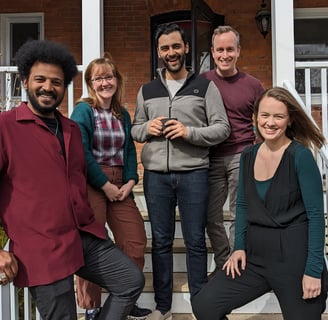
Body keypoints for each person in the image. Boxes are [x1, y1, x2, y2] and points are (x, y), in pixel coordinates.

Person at [0, 39, 145, 320]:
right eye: (40, 79)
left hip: (81, 235)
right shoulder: (5, 127)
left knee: (130, 281)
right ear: (25, 80)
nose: (48, 87)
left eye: (56, 81)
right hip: (40, 247)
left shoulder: (70, 129)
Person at [192, 87, 328, 320]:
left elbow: (316, 217)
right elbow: (243, 205)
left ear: (289, 120)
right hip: (255, 257)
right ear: (255, 118)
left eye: (278, 116)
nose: (270, 122)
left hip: (294, 259)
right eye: (265, 115)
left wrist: (313, 270)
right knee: (205, 305)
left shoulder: (301, 156)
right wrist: (239, 247)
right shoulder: (248, 155)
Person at [131, 23, 230, 320]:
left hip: (194, 174)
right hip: (156, 177)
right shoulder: (147, 90)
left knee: (195, 241)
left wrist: (189, 132)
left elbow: (222, 128)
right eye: (164, 48)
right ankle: (163, 308)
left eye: (176, 46)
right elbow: (135, 129)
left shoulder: (204, 86)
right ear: (158, 52)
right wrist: (146, 129)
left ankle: (201, 306)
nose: (170, 53)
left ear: (186, 48)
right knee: (160, 242)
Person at [71, 53, 151, 320]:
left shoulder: (122, 113)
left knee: (135, 238)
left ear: (117, 79)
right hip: (93, 182)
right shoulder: (84, 110)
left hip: (120, 183)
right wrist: (104, 185)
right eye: (99, 78)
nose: (105, 82)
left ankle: (126, 297)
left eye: (109, 76)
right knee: (93, 243)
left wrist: (130, 181)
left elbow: (129, 151)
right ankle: (92, 306)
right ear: (90, 83)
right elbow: (81, 153)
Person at [202, 25, 265, 269]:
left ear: (238, 51)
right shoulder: (203, 82)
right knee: (212, 216)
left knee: (239, 213)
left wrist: (260, 151)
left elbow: (264, 120)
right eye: (220, 50)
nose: (225, 55)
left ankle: (237, 262)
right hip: (210, 157)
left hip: (242, 153)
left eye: (230, 49)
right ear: (212, 52)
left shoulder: (252, 85)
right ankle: (223, 262)